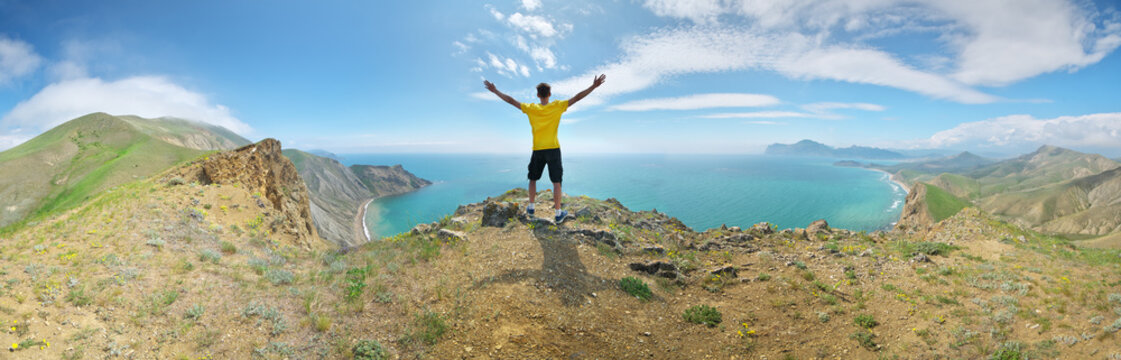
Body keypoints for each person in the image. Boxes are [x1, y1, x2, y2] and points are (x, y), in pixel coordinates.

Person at [484, 74, 606, 223]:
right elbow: (577, 97)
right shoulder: (557, 106)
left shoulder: (531, 108)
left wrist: (495, 91)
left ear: (537, 95)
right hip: (553, 149)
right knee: (556, 182)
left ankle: (531, 207)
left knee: (532, 179)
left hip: (537, 149)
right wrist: (593, 87)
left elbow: (510, 100)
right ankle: (558, 213)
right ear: (549, 94)